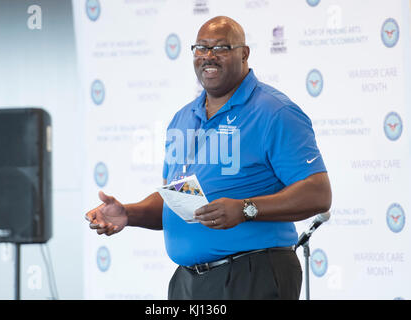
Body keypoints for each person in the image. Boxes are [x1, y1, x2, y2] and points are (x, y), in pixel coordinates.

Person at [85, 16, 332, 300]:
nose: (208, 56)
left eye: (221, 48)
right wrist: (130, 213)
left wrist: (245, 209)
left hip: (253, 274)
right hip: (188, 281)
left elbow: (318, 193)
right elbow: (178, 198)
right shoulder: (183, 118)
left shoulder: (275, 112)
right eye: (200, 48)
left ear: (244, 53)